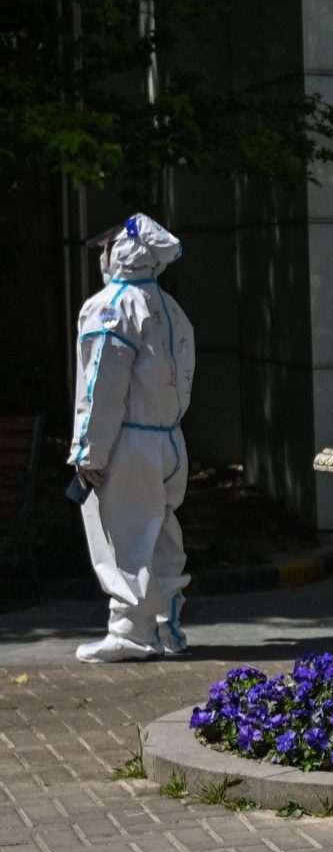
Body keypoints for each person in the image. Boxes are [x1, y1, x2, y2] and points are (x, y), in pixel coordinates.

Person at [69, 214, 194, 663]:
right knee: (159, 531)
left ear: (117, 252)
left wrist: (89, 450)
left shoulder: (111, 306)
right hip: (168, 440)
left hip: (130, 442)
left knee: (123, 536)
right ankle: (166, 624)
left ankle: (130, 632)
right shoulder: (170, 308)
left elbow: (101, 386)